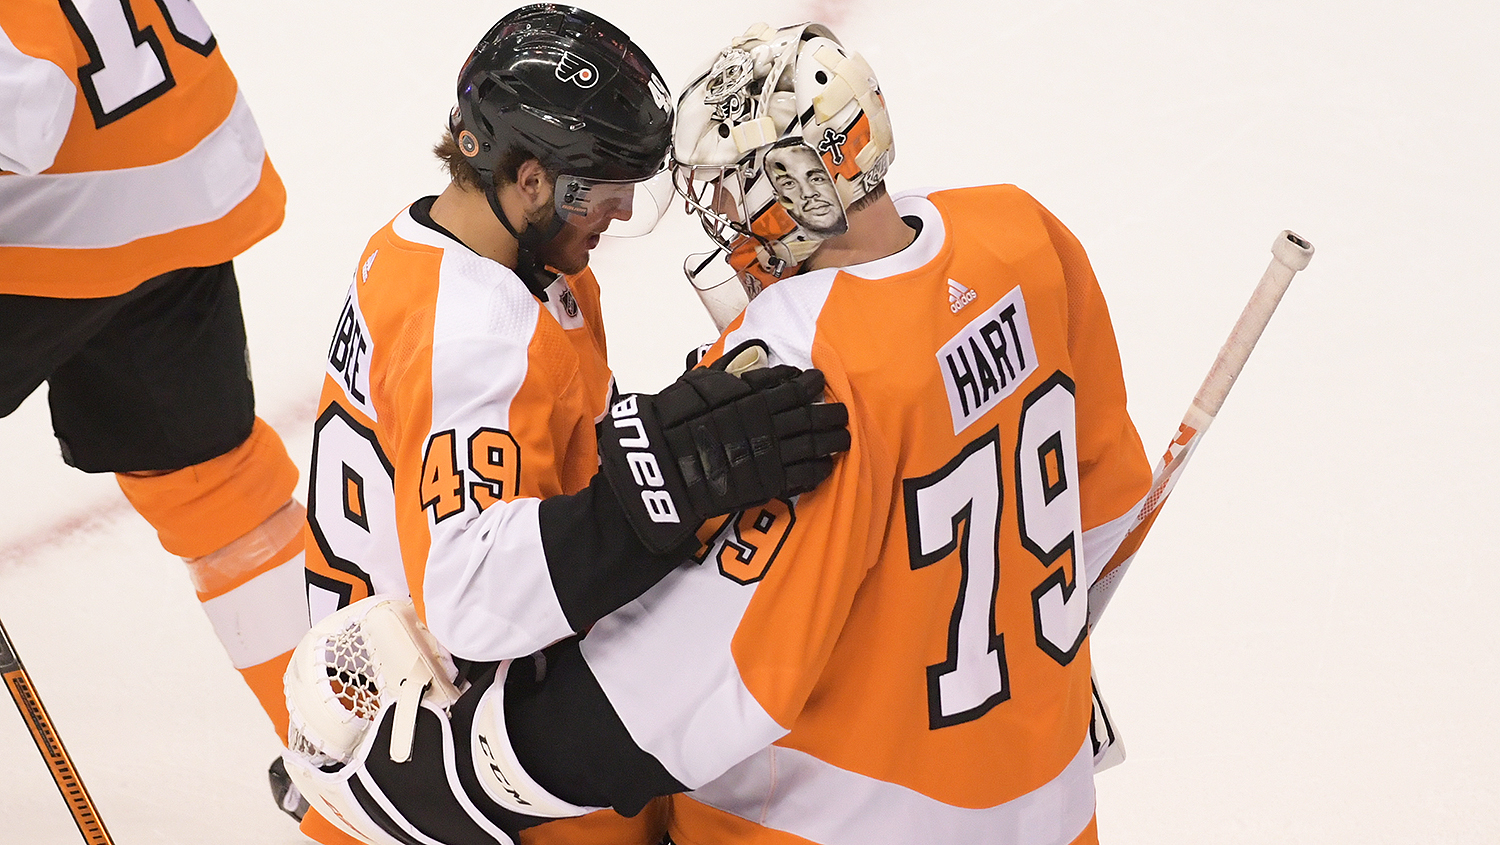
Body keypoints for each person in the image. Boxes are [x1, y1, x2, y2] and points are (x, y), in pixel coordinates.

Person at [281, 18, 1150, 845]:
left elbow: (694, 681)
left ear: (802, 185)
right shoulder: (1019, 233)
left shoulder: (800, 363)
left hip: (820, 816)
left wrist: (470, 772)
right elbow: (1104, 507)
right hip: (1048, 794)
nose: (719, 224)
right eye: (605, 186)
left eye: (735, 194)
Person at [287, 7, 849, 845]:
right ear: (529, 178)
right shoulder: (471, 336)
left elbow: (547, 455)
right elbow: (471, 597)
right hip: (453, 760)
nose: (620, 211)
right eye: (603, 187)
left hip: (444, 711)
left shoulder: (468, 252)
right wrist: (660, 485)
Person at [0, 0, 314, 820]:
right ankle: (358, 756)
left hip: (55, 205)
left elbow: (20, 111)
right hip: (175, 164)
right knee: (215, 486)